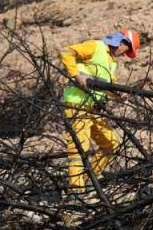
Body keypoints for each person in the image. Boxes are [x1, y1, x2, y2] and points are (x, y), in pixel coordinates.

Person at [59, 30, 140, 191]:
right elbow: (66, 52)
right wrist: (76, 75)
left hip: (93, 109)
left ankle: (89, 180)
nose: (125, 55)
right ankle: (77, 192)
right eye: (127, 50)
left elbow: (106, 85)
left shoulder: (111, 62)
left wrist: (118, 94)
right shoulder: (95, 46)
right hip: (76, 105)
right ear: (121, 42)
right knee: (78, 148)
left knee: (111, 144)